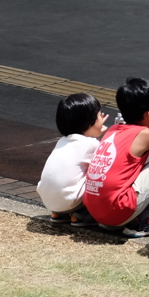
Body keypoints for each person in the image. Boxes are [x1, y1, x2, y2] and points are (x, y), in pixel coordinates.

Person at [83, 77, 149, 238]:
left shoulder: (114, 129)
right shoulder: (146, 135)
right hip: (118, 212)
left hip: (97, 212)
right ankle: (139, 223)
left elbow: (141, 153)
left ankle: (134, 219)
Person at [36, 93, 107, 225]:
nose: (102, 120)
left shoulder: (63, 141)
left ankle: (58, 213)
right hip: (70, 201)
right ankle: (83, 214)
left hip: (49, 200)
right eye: (99, 115)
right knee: (103, 172)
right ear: (89, 121)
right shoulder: (91, 144)